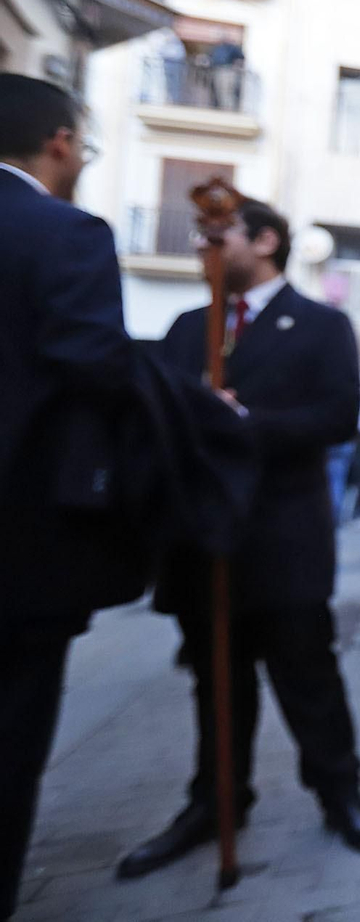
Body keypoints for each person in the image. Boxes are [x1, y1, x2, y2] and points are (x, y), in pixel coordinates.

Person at [118, 198, 360, 879]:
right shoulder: (186, 328)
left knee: (308, 677)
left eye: (220, 235)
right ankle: (215, 800)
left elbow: (333, 417)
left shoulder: (322, 324)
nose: (205, 248)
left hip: (282, 537)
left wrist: (244, 422)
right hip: (204, 539)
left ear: (265, 241)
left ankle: (340, 792)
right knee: (215, 683)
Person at [0, 76, 146, 920]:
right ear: (59, 142)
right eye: (85, 146)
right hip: (20, 552)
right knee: (9, 746)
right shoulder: (64, 234)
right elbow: (98, 368)